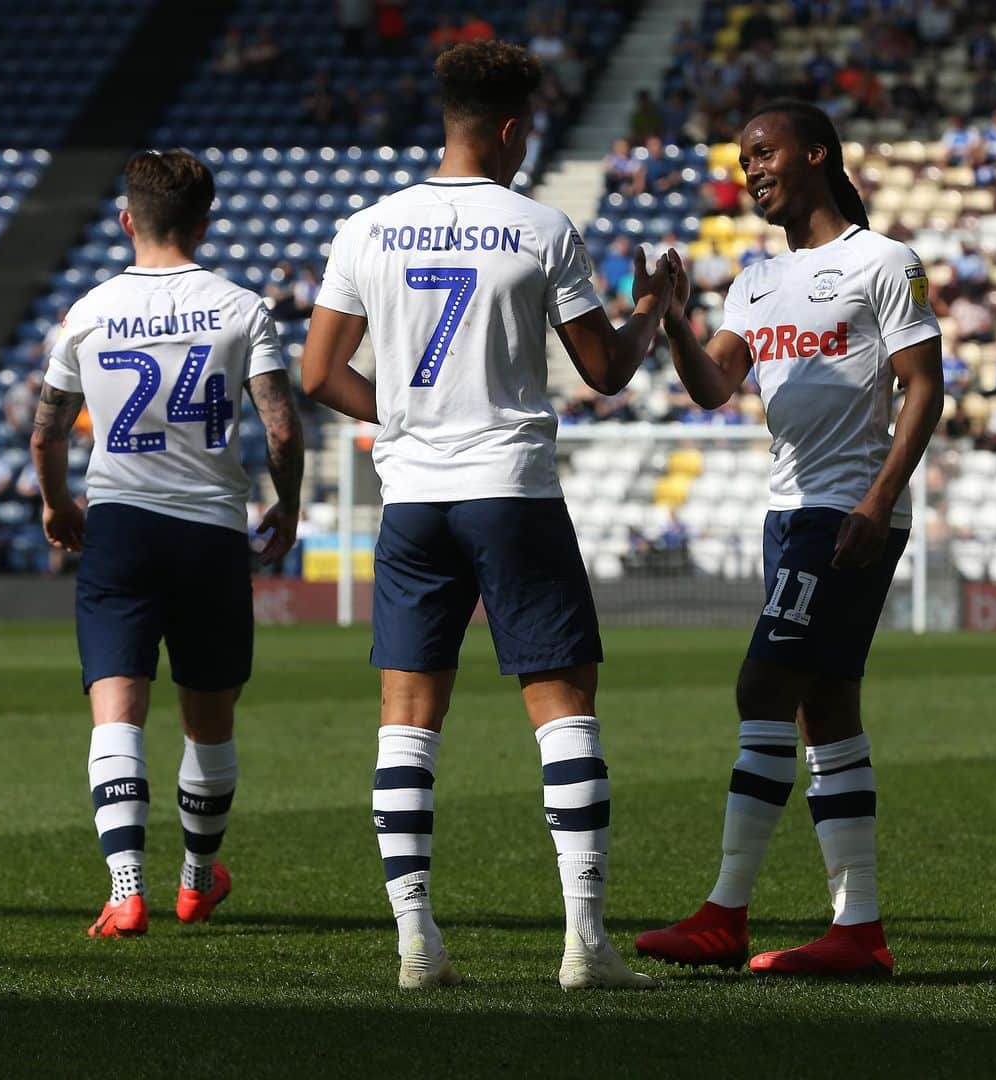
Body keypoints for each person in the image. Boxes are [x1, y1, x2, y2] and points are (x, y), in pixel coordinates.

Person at [301, 40, 670, 992]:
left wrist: (411, 421)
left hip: (414, 498)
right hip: (510, 492)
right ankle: (585, 944)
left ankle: (416, 942)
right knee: (562, 707)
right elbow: (605, 370)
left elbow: (317, 373)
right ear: (513, 126)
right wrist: (655, 310)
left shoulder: (367, 228)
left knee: (407, 719)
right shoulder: (540, 226)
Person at [635, 100, 943, 978]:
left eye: (764, 154)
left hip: (844, 510)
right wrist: (671, 321)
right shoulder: (758, 281)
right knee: (826, 708)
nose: (752, 170)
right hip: (789, 510)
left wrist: (877, 502)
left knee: (763, 684)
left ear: (816, 153)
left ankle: (723, 914)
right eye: (743, 161)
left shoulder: (884, 262)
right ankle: (859, 930)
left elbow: (924, 387)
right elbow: (713, 385)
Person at [31, 150, 304, 939]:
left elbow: (47, 433)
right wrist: (282, 509)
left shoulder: (87, 311)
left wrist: (57, 505)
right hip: (210, 527)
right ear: (204, 223)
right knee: (208, 718)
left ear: (127, 220)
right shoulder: (240, 307)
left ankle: (125, 890)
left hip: (118, 524)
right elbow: (281, 430)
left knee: (116, 711)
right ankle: (193, 880)